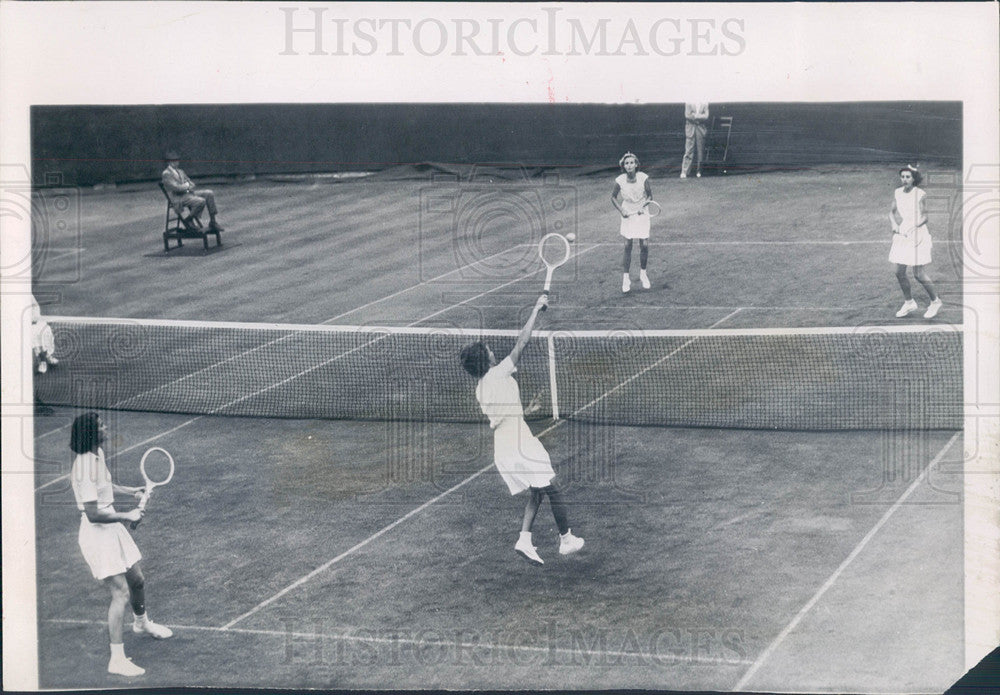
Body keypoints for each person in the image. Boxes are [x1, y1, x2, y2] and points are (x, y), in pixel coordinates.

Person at [459, 295, 585, 565]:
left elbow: (506, 412)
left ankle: (524, 540)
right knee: (553, 488)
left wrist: (527, 409)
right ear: (486, 360)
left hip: (505, 446)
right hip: (519, 444)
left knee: (538, 491)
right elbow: (522, 342)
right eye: (489, 350)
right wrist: (536, 310)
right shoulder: (499, 373)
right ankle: (566, 540)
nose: (493, 351)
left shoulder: (481, 388)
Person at [69, 412, 173, 677]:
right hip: (96, 534)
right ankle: (116, 659)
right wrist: (127, 515)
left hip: (110, 528)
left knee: (137, 580)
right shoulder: (84, 467)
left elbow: (106, 486)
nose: (106, 427)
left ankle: (141, 623)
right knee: (120, 592)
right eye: (101, 425)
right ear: (92, 434)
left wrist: (132, 491)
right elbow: (93, 513)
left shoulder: (97, 456)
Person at [889, 164, 942, 318]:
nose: (905, 179)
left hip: (918, 234)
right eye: (903, 177)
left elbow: (925, 217)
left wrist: (913, 226)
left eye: (908, 177)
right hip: (903, 233)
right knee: (899, 272)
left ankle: (935, 301)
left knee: (918, 274)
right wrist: (894, 223)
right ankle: (909, 302)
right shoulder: (897, 192)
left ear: (913, 179)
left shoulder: (920, 194)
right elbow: (891, 213)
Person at [611, 152, 653, 293]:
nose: (629, 165)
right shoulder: (620, 180)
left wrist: (644, 206)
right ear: (624, 166)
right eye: (626, 163)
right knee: (628, 245)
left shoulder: (643, 178)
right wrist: (621, 210)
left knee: (645, 245)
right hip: (627, 213)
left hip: (642, 213)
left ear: (636, 164)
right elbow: (613, 197)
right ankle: (626, 278)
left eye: (631, 163)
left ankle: (643, 274)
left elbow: (650, 195)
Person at [161, 151, 225, 231]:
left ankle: (213, 221)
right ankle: (188, 220)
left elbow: (191, 184)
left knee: (209, 193)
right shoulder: (166, 173)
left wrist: (187, 187)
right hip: (178, 198)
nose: (175, 162)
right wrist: (186, 186)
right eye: (173, 160)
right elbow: (176, 188)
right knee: (201, 201)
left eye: (176, 160)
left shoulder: (180, 171)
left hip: (187, 194)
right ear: (168, 162)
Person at [680, 102, 710, 179]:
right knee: (689, 150)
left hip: (701, 128)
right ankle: (684, 171)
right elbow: (687, 115)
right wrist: (699, 117)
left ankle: (699, 171)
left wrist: (696, 116)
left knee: (700, 150)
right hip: (690, 128)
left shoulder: (705, 102)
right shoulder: (688, 101)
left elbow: (706, 116)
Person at [31, 295, 58, 373]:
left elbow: (36, 306)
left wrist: (35, 318)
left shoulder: (29, 295)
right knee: (33, 336)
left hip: (36, 320)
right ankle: (42, 361)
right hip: (25, 325)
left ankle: (47, 355)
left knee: (46, 329)